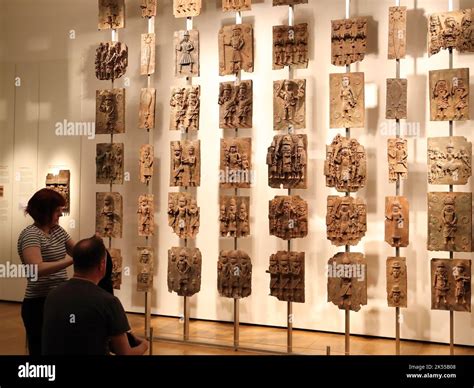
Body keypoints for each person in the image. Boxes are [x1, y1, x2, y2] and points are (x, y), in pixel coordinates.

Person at [42, 236, 148, 355]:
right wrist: (144, 344)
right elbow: (125, 353)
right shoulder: (109, 302)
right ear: (102, 265)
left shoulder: (53, 295)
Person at [18, 188, 75, 355]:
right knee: (41, 350)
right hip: (39, 304)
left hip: (59, 301)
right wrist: (70, 261)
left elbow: (77, 251)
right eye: (57, 211)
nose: (61, 215)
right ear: (45, 211)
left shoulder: (57, 230)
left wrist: (91, 245)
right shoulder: (31, 235)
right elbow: (36, 268)